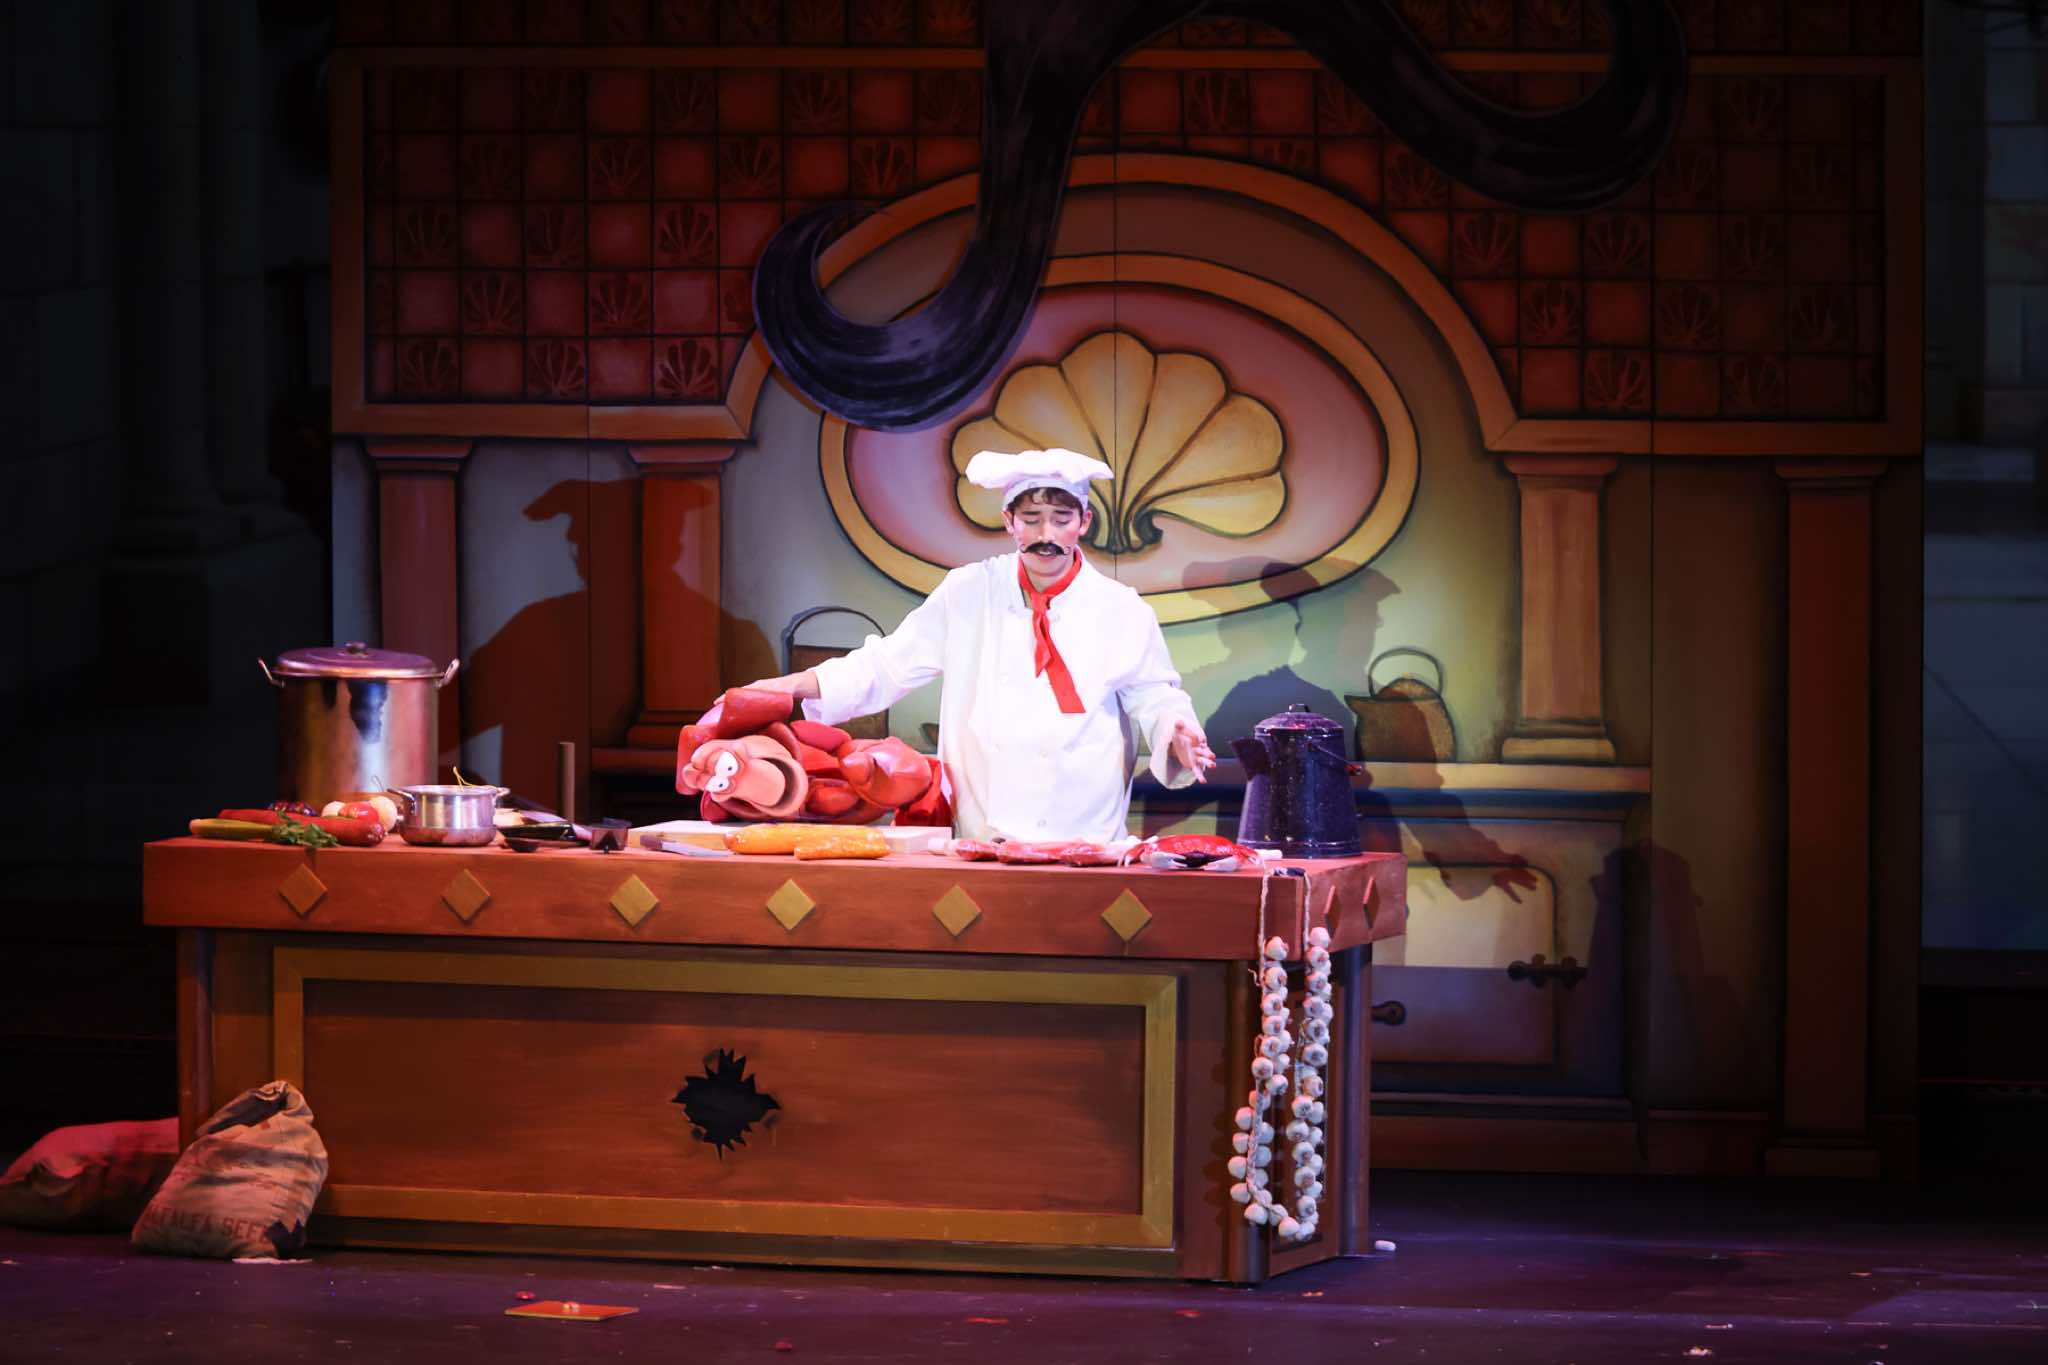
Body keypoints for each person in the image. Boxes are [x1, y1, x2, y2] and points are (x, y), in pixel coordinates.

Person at [738, 447, 1216, 843]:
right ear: (1009, 521)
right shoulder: (968, 592)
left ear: (1084, 522)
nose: (1045, 535)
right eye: (1031, 519)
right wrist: (797, 684)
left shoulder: (1121, 608)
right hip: (985, 834)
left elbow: (1155, 695)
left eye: (1061, 519)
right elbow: (887, 664)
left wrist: (1175, 732)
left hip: (1088, 837)